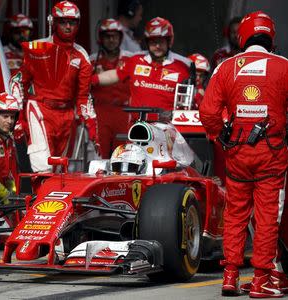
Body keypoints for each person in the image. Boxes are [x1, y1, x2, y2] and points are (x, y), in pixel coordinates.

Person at [200, 11, 288, 298]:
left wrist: (221, 135)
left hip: (237, 153)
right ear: (270, 36)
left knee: (236, 215)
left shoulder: (225, 67)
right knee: (266, 218)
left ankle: (230, 277)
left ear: (243, 35)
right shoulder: (284, 66)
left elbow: (208, 112)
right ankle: (262, 280)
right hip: (271, 154)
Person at [10, 1, 98, 172]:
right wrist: (18, 116)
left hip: (66, 115)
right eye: (63, 22)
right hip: (40, 109)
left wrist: (92, 124)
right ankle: (35, 197)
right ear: (54, 23)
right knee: (43, 167)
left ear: (78, 24)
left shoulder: (82, 55)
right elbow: (18, 82)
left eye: (72, 22)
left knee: (60, 169)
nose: (67, 26)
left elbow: (83, 96)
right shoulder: (38, 48)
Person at [92, 17, 190, 113]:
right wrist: (91, 80)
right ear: (147, 42)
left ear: (169, 41)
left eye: (161, 41)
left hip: (167, 125)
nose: (157, 46)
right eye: (153, 42)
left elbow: (191, 99)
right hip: (138, 124)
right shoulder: (136, 59)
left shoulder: (183, 66)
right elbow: (114, 75)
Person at [91, 18, 132, 158]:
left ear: (120, 38)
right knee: (99, 157)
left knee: (123, 157)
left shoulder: (131, 60)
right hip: (99, 113)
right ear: (101, 38)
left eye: (114, 36)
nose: (111, 40)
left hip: (124, 113)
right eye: (107, 36)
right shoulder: (91, 60)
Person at [0, 92, 20, 203]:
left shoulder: (9, 140)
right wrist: (2, 192)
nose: (10, 121)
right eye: (5, 116)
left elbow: (10, 174)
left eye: (12, 117)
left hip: (1, 201)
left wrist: (12, 192)